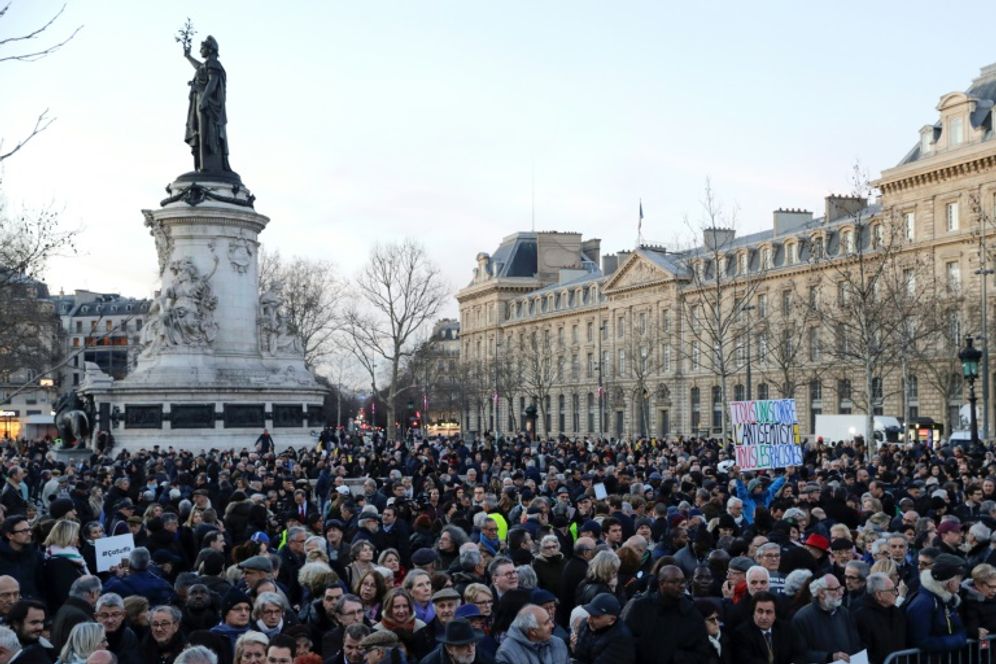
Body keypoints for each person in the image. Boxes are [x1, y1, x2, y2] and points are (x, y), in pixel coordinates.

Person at [621, 565, 712, 664]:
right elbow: (626, 642)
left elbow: (702, 653)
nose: (681, 585)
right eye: (674, 582)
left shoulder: (692, 614)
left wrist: (676, 657)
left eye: (682, 581)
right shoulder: (641, 608)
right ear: (661, 583)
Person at [182, 35, 231, 174]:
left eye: (202, 48)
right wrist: (188, 56)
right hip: (203, 102)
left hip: (209, 106)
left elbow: (213, 81)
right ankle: (202, 165)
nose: (200, 51)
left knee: (206, 133)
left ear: (210, 49)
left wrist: (204, 99)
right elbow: (200, 67)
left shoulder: (214, 64)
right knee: (200, 133)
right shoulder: (209, 64)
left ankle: (207, 165)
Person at [905, 553, 969, 654]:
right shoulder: (924, 603)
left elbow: (957, 627)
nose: (960, 584)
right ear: (950, 583)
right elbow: (921, 641)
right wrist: (958, 640)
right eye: (958, 580)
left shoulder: (946, 599)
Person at [790, 574, 862, 664]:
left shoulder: (844, 612)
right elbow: (799, 654)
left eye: (841, 588)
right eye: (836, 589)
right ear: (821, 593)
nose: (841, 592)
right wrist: (830, 657)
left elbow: (855, 644)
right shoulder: (802, 618)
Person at [731, 591, 804, 664]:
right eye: (760, 611)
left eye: (768, 612)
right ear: (753, 613)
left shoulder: (787, 629)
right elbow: (747, 661)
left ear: (775, 615)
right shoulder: (741, 634)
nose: (764, 617)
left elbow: (799, 654)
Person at [851, 573, 906, 664]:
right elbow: (862, 649)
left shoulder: (897, 612)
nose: (896, 593)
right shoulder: (861, 616)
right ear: (879, 594)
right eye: (892, 590)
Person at [571, 593, 633, 664]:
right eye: (590, 613)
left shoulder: (621, 639)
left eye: (596, 616)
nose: (589, 620)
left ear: (611, 620)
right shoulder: (586, 624)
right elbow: (579, 656)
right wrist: (574, 650)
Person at [494, 604, 568, 664]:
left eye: (550, 620)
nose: (552, 625)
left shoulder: (558, 643)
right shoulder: (506, 653)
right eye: (546, 623)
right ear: (532, 631)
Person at [104, 548, 174, 607]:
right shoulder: (160, 581)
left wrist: (116, 576)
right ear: (148, 563)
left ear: (130, 564)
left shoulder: (120, 584)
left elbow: (105, 590)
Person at [51, 576, 101, 652]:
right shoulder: (80, 617)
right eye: (99, 593)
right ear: (93, 594)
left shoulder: (64, 609)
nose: (99, 597)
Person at [0, 519, 41, 603]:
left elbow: (42, 584)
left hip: (32, 606)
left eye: (29, 530)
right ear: (10, 535)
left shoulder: (35, 555)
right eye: (24, 531)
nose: (29, 534)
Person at [94, 593, 140, 664]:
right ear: (96, 616)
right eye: (104, 615)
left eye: (115, 615)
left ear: (123, 615)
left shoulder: (129, 636)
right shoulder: (89, 637)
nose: (110, 620)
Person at [419, 618, 487, 664]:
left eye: (472, 643)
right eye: (464, 645)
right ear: (449, 649)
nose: (471, 649)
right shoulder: (430, 662)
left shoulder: (484, 659)